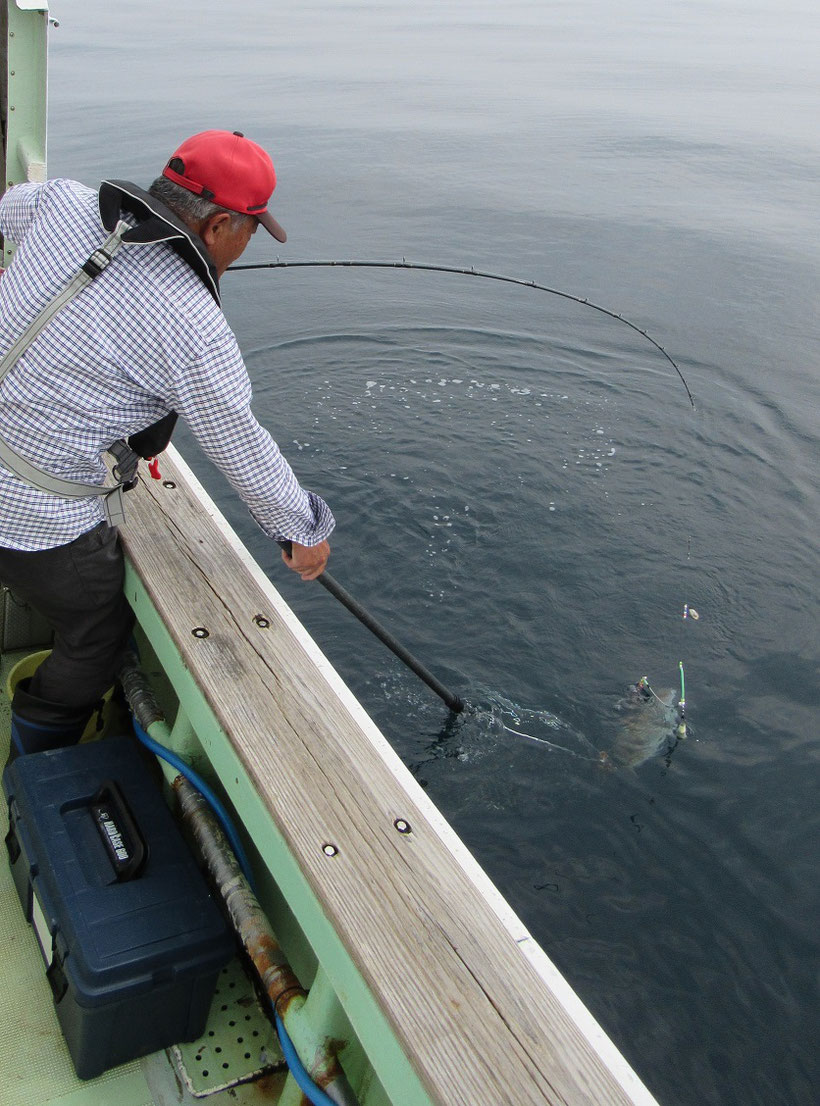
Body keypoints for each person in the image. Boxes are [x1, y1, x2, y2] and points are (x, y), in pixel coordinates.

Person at [0, 129, 334, 758]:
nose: (247, 244)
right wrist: (302, 531)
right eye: (251, 230)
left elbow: (8, 212)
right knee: (96, 629)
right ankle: (35, 757)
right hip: (28, 516)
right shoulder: (193, 325)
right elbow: (240, 444)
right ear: (218, 227)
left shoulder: (63, 202)